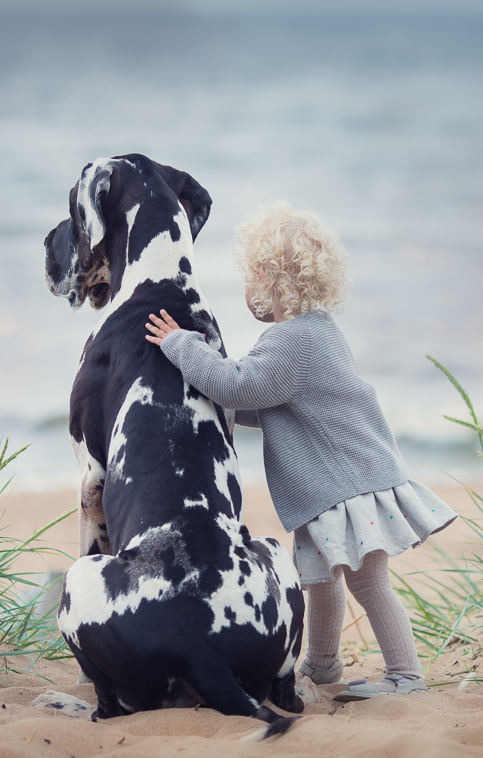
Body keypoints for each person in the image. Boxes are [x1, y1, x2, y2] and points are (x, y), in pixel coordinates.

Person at [143, 200, 457, 700]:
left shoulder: (292, 342)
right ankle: (322, 664)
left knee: (367, 584)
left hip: (347, 484)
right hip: (331, 487)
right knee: (321, 580)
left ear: (268, 278)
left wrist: (182, 346)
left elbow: (239, 388)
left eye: (251, 277)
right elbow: (270, 405)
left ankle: (406, 676)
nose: (247, 290)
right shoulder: (318, 334)